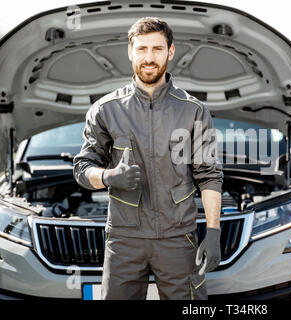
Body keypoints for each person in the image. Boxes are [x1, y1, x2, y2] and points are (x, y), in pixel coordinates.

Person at [73, 17, 224, 300]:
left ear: (171, 51)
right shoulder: (105, 110)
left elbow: (209, 175)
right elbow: (82, 168)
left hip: (178, 239)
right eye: (141, 49)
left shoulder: (193, 111)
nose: (149, 58)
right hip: (124, 240)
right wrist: (107, 177)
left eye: (157, 49)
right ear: (130, 52)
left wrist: (213, 232)